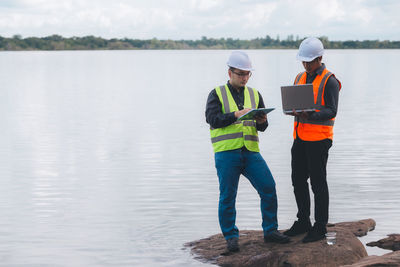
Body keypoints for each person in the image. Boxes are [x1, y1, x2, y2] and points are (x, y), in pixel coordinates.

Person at [205, 51, 290, 252]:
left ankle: (270, 231)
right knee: (228, 196)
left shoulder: (254, 94)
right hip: (227, 153)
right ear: (230, 72)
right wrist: (236, 114)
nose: (244, 78)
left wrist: (262, 121)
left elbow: (262, 127)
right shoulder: (216, 93)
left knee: (268, 187)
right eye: (240, 74)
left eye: (247, 74)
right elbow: (212, 119)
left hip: (251, 151)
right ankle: (231, 238)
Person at [283, 37, 341, 243]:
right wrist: (292, 111)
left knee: (318, 183)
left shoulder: (330, 80)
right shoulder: (299, 77)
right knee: (297, 180)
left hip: (319, 140)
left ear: (320, 58)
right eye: (303, 61)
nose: (306, 65)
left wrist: (311, 115)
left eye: (309, 61)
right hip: (299, 137)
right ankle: (303, 221)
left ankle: (320, 226)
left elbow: (332, 110)